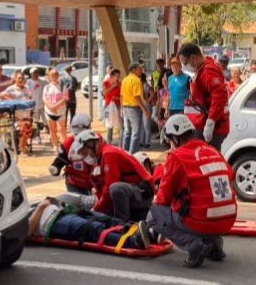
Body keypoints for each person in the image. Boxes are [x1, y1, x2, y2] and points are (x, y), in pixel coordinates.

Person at [147, 114, 237, 268]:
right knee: (201, 202)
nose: (170, 144)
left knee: (154, 214)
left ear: (175, 138)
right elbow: (230, 175)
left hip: (202, 221)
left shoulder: (177, 157)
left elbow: (163, 198)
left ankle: (195, 245)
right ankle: (214, 244)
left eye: (169, 140)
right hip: (228, 219)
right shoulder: (211, 150)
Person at [70, 130, 154, 221]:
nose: (85, 156)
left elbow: (109, 187)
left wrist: (96, 210)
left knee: (116, 188)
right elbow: (102, 189)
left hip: (143, 193)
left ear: (91, 144)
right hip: (134, 191)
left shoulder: (109, 155)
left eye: (85, 152)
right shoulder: (101, 157)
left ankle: (121, 223)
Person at [29, 194, 150, 250]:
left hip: (65, 211)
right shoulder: (18, 217)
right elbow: (27, 232)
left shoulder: (26, 204)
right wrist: (41, 207)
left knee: (106, 219)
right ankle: (134, 242)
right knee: (93, 228)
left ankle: (146, 234)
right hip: (54, 222)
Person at [177, 43, 229, 149]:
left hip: (211, 126)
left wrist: (211, 122)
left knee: (206, 158)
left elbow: (220, 96)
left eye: (184, 62)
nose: (183, 67)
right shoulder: (202, 69)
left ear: (193, 58)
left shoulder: (208, 71)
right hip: (202, 123)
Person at [49, 113, 96, 195]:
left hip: (95, 183)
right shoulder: (67, 144)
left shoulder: (97, 141)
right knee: (78, 206)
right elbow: (60, 160)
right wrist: (55, 168)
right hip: (75, 184)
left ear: (90, 128)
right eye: (77, 134)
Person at [1, 73, 35, 154]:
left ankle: (22, 146)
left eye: (22, 78)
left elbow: (30, 97)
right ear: (15, 79)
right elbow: (1, 95)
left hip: (26, 113)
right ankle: (22, 147)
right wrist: (12, 101)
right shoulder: (11, 88)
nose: (21, 80)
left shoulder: (27, 88)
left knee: (30, 127)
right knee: (24, 126)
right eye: (19, 78)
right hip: (16, 115)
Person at [120, 63, 149, 152]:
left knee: (127, 131)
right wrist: (145, 110)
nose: (141, 71)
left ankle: (124, 152)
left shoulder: (124, 80)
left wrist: (122, 108)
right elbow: (136, 97)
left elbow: (121, 96)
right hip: (133, 108)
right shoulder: (136, 80)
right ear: (134, 70)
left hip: (125, 107)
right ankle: (133, 154)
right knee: (135, 132)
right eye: (139, 69)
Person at [42, 69, 68, 152]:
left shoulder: (63, 86)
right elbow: (44, 98)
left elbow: (65, 98)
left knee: (61, 129)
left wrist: (56, 107)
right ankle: (55, 145)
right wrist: (51, 107)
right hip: (50, 111)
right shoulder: (47, 87)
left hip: (60, 111)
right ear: (49, 77)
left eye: (56, 75)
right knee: (52, 129)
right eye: (52, 75)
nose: (54, 77)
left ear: (58, 76)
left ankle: (64, 146)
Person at [102, 68, 122, 144]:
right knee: (109, 124)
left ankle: (121, 143)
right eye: (117, 76)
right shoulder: (106, 83)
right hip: (108, 106)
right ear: (112, 76)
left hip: (118, 105)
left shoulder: (120, 84)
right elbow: (104, 93)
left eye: (119, 76)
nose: (118, 78)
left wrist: (117, 98)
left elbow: (122, 96)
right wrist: (112, 87)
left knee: (120, 125)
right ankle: (109, 141)